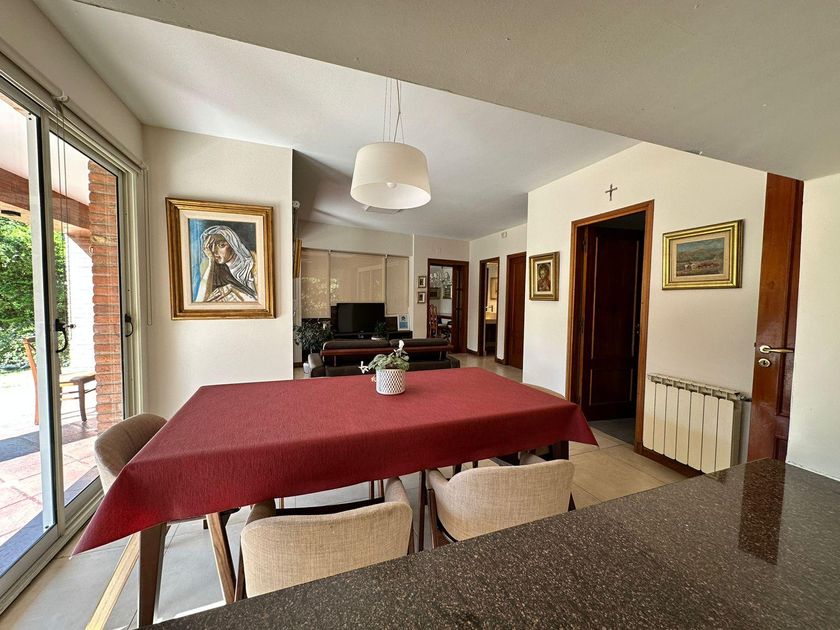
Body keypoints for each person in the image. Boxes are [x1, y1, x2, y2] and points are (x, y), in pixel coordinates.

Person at [195, 225, 258, 302]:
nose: (213, 251)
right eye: (210, 246)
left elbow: (261, 301)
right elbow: (201, 300)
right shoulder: (209, 266)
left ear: (233, 245)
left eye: (221, 245)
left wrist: (233, 289)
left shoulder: (252, 264)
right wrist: (211, 261)